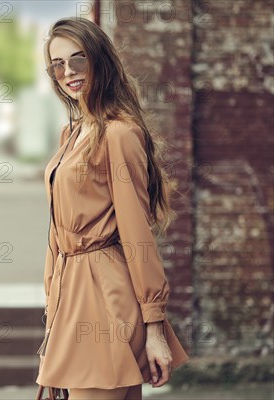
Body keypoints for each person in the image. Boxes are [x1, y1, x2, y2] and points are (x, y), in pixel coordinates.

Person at [36, 17, 190, 400]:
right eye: (58, 64)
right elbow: (57, 231)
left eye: (78, 60)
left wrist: (154, 327)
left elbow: (137, 233)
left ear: (100, 61)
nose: (68, 72)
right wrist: (52, 309)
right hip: (71, 297)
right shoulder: (71, 133)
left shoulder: (119, 134)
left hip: (105, 298)